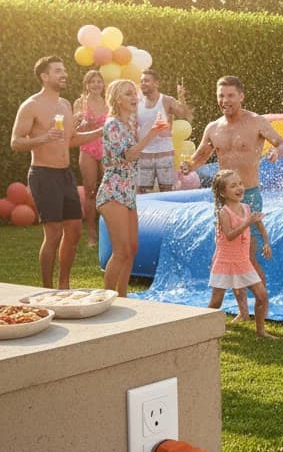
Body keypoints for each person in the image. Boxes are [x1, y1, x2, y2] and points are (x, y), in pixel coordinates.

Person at [180, 75, 283, 317]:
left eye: (230, 95)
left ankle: (262, 306)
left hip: (248, 194)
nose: (225, 100)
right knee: (230, 254)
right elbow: (200, 157)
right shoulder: (213, 127)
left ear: (241, 96)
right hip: (222, 199)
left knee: (248, 257)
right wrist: (189, 166)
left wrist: (276, 153)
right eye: (221, 95)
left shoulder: (256, 122)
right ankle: (242, 311)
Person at [10, 56, 101, 288]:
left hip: (64, 174)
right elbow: (16, 142)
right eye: (58, 71)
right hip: (43, 173)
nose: (64, 74)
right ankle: (47, 289)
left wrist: (101, 130)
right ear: (44, 76)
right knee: (53, 233)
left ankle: (64, 286)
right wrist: (43, 137)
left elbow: (71, 140)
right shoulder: (31, 105)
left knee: (75, 230)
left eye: (64, 70)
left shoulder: (65, 105)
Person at [95, 79, 168, 296]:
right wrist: (153, 134)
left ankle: (124, 297)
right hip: (113, 191)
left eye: (135, 94)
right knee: (120, 251)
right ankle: (106, 298)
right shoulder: (113, 124)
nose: (135, 97)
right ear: (117, 99)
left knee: (131, 249)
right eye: (128, 94)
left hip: (127, 192)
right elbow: (129, 155)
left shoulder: (127, 124)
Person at [208, 169, 273, 339]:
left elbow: (259, 224)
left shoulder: (246, 208)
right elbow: (229, 235)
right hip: (225, 261)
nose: (239, 188)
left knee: (262, 295)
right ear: (223, 193)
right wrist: (247, 223)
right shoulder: (224, 212)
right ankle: (202, 329)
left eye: (240, 184)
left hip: (243, 262)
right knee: (216, 302)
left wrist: (266, 242)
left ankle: (261, 332)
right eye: (233, 186)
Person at [137, 69, 193, 193]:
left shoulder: (166, 100)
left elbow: (184, 115)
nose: (143, 84)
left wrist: (181, 97)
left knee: (166, 188)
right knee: (142, 190)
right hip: (144, 153)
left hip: (164, 152)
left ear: (156, 83)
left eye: (147, 81)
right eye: (141, 81)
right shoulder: (138, 102)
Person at [73, 68, 107, 246]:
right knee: (90, 191)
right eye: (92, 81)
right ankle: (92, 234)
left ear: (103, 84)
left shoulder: (109, 102)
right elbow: (73, 131)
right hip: (87, 148)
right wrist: (82, 123)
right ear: (87, 85)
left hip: (107, 149)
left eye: (99, 81)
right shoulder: (80, 103)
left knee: (110, 188)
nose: (96, 84)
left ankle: (108, 231)